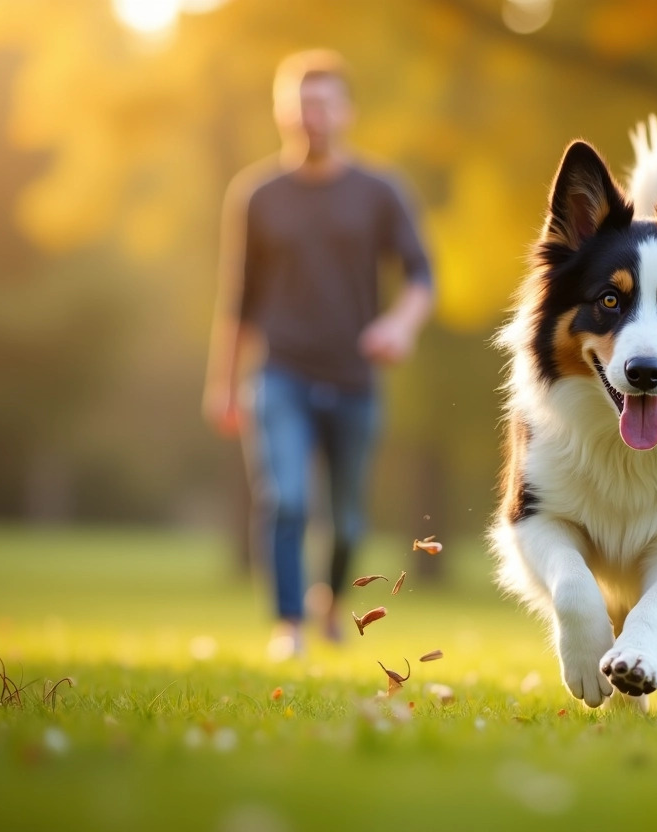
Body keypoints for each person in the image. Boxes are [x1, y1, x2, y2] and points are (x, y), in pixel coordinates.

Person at [203, 49, 434, 660]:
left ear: (346, 111)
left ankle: (328, 601)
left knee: (349, 519)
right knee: (286, 498)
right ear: (283, 112)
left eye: (324, 102)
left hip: (354, 376)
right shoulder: (256, 194)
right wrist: (222, 384)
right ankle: (289, 625)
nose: (313, 114)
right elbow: (238, 299)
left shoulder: (380, 191)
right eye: (301, 103)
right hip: (279, 373)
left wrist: (400, 327)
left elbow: (421, 276)